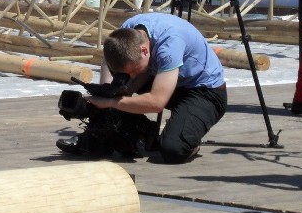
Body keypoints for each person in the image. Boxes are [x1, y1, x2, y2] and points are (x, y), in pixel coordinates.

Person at [63, 12, 227, 164]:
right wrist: (109, 90)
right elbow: (110, 59)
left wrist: (111, 102)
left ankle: (187, 132)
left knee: (173, 150)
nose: (132, 76)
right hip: (166, 78)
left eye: (134, 70)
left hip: (204, 92)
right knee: (120, 78)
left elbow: (156, 103)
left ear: (143, 50)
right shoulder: (128, 31)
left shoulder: (169, 46)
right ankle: (100, 135)